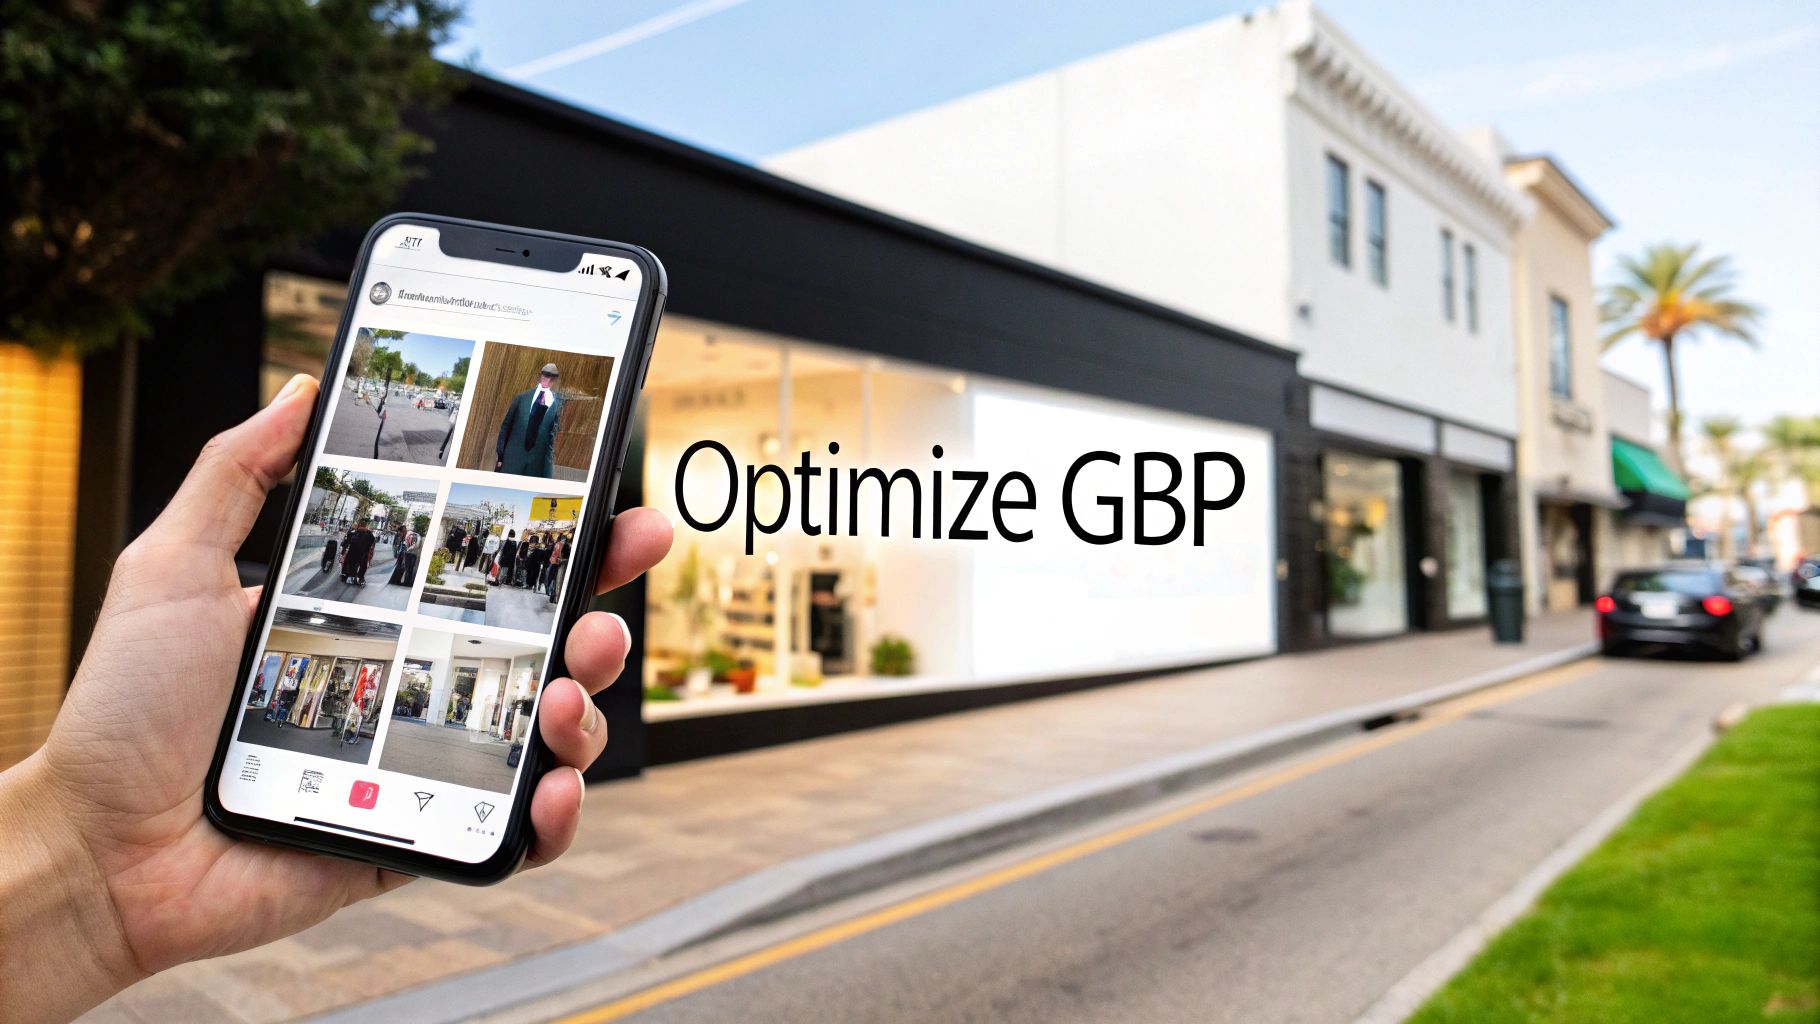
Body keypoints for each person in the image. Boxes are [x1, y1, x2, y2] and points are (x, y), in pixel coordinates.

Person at [0, 374, 671, 1024]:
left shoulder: (542, 433)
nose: (546, 381)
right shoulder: (515, 404)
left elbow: (546, 439)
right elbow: (508, 428)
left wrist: (89, 867)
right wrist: (87, 849)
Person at [493, 363, 565, 477]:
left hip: (535, 467)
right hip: (512, 461)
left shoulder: (556, 404)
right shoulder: (521, 398)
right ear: (541, 375)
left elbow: (551, 440)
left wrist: (547, 473)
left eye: (551, 377)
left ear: (554, 380)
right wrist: (500, 456)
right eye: (546, 375)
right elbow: (506, 427)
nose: (548, 379)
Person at [340, 518, 377, 586]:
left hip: (353, 552)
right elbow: (372, 543)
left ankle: (346, 575)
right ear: (366, 526)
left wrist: (343, 550)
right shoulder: (369, 535)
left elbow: (346, 542)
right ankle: (358, 577)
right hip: (362, 553)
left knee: (349, 562)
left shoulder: (353, 533)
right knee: (361, 564)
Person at [544, 534, 568, 603]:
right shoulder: (563, 545)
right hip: (557, 565)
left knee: (554, 580)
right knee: (556, 581)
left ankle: (553, 597)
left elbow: (551, 554)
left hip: (555, 564)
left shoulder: (558, 544)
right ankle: (554, 598)